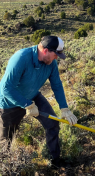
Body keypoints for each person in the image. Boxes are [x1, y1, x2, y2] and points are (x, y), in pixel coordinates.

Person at [0, 36, 78, 167]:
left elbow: (57, 85)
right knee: (6, 141)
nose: (57, 58)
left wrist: (64, 108)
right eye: (56, 54)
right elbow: (5, 88)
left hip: (33, 96)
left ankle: (55, 160)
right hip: (10, 103)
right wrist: (26, 104)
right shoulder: (21, 58)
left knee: (53, 124)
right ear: (46, 50)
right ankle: (6, 168)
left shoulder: (51, 63)